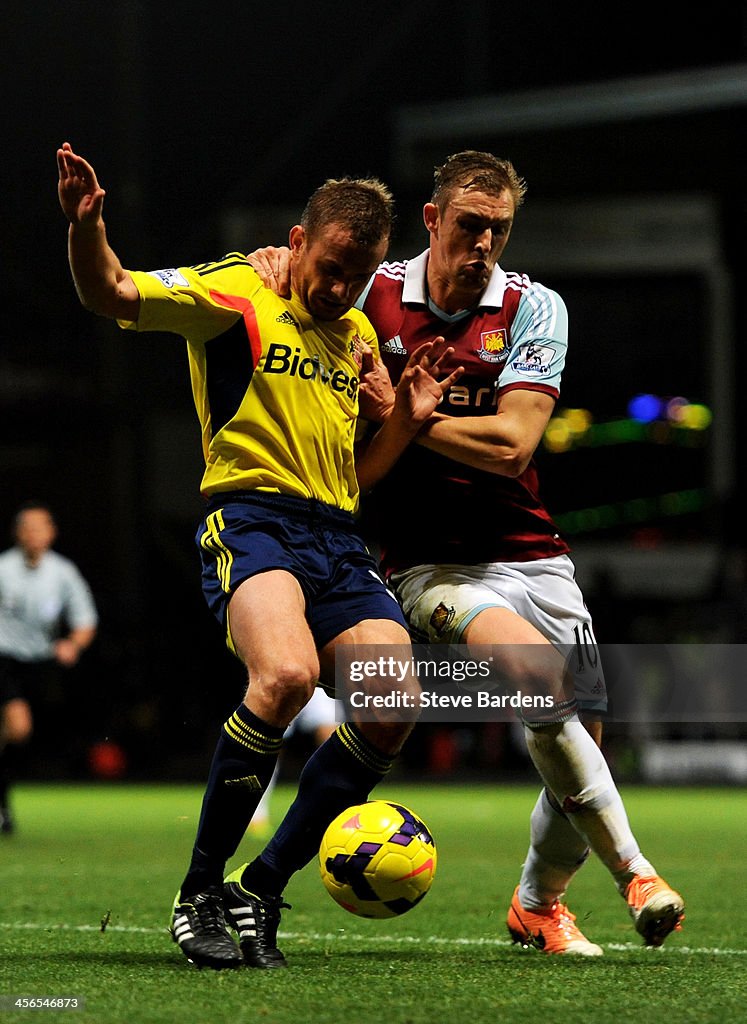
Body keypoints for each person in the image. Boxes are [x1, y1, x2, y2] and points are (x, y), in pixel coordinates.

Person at [247, 150, 685, 955]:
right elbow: (296, 281)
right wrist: (271, 263)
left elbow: (514, 444)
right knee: (532, 675)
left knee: (581, 732)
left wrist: (406, 417)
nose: (483, 244)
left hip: (532, 552)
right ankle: (636, 873)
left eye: (499, 230)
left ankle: (537, 903)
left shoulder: (533, 307)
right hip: (425, 564)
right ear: (432, 220)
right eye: (469, 226)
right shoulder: (374, 293)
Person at [57, 141, 462, 971]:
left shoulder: (353, 336)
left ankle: (261, 886)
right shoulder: (243, 289)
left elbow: (359, 476)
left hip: (339, 537)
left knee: (393, 704)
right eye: (333, 265)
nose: (342, 287)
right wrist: (85, 227)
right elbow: (112, 291)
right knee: (285, 678)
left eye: (361, 273)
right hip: (252, 520)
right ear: (299, 240)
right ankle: (200, 889)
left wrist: (407, 421)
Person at [0, 502, 98, 833]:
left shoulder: (63, 572)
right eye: (27, 527)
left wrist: (73, 643)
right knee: (18, 727)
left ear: (52, 533)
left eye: (40, 527)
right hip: (4, 659)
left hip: (40, 664)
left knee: (19, 735)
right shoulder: (3, 568)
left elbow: (85, 620)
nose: (33, 534)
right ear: (17, 533)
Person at [248, 687, 342, 839]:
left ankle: (340, 812)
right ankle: (256, 813)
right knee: (270, 744)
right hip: (285, 676)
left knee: (334, 739)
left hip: (320, 680)